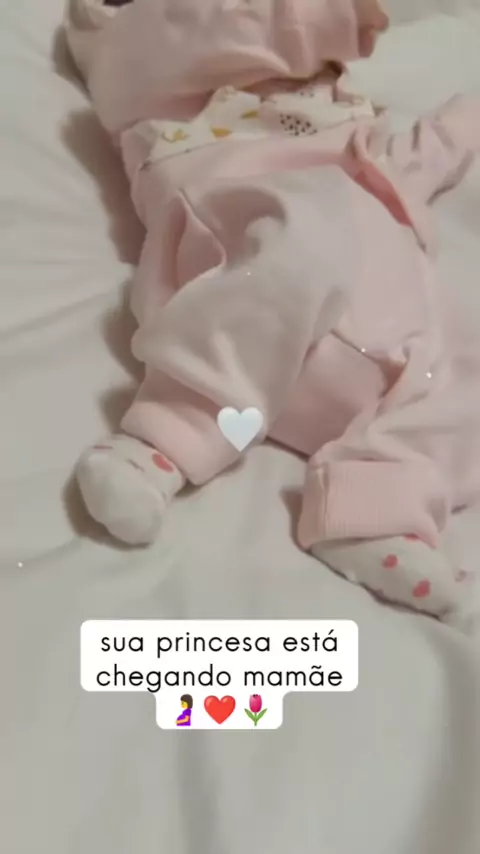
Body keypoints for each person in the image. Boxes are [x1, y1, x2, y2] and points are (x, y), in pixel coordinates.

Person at [65, 0, 480, 618]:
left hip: (376, 306)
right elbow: (192, 30)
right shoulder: (139, 57)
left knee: (465, 370)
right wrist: (327, 19)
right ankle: (170, 436)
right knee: (306, 235)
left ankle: (373, 509)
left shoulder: (333, 100)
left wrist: (459, 125)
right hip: (249, 243)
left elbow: (395, 170)